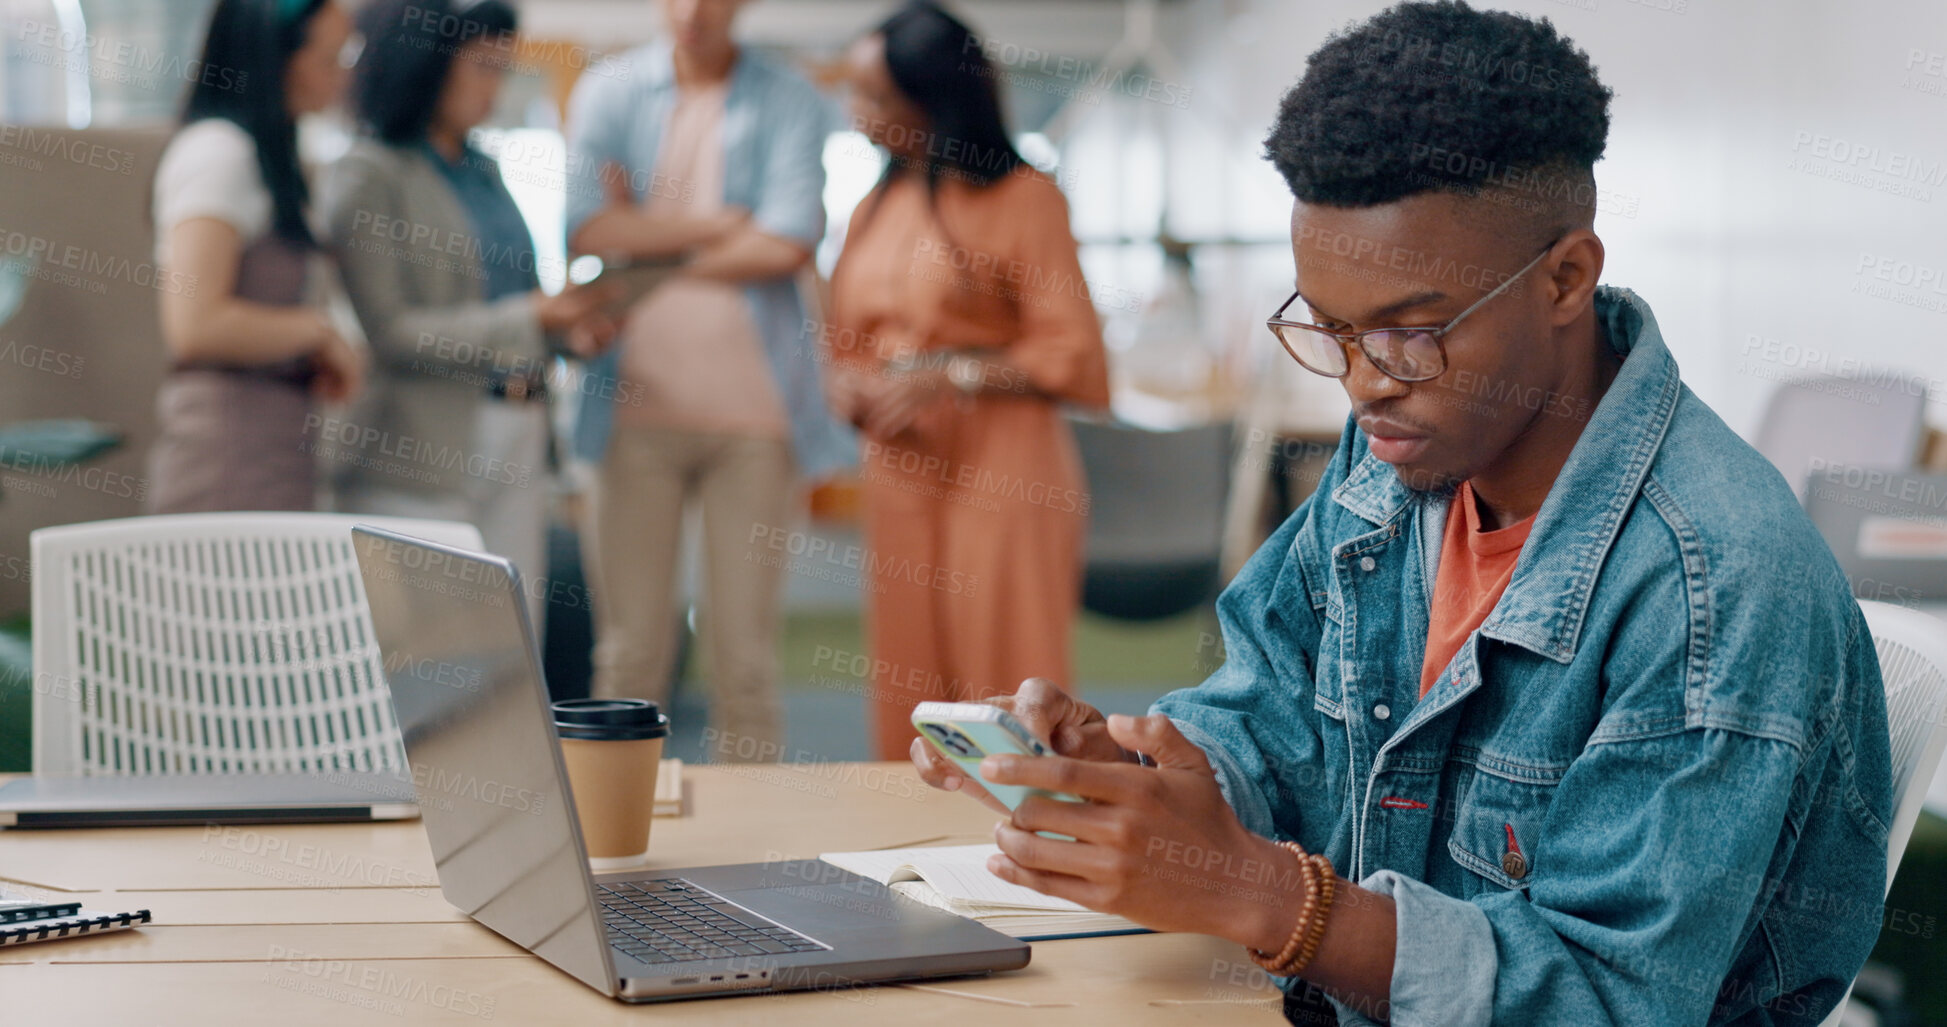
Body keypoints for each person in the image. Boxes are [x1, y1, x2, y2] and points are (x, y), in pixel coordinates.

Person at [910, 3, 1892, 1024]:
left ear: (1566, 277)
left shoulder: (1715, 583)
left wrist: (1264, 897)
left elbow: (1608, 996)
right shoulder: (1406, 452)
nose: (1363, 384)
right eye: (1329, 329)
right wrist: (1140, 774)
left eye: (1410, 333)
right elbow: (1277, 710)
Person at [563, 0, 853, 758]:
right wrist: (721, 224)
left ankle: (748, 856)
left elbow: (789, 238)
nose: (693, 11)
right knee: (628, 653)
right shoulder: (608, 91)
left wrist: (648, 245)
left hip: (756, 419)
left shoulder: (788, 95)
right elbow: (587, 227)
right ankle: (613, 838)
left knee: (745, 661)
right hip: (631, 412)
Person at [828, 1, 1109, 761]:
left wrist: (948, 373)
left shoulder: (1025, 199)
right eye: (852, 95)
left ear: (933, 99)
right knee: (908, 687)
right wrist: (849, 387)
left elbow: (1076, 356)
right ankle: (901, 861)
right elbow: (842, 344)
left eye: (876, 98)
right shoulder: (871, 207)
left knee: (1003, 683)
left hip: (1004, 468)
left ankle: (1026, 858)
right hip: (900, 466)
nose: (857, 115)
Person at [321, 0, 615, 621]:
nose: (495, 88)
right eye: (482, 67)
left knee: (514, 639)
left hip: (519, 424)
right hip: (424, 446)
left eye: (502, 69)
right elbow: (391, 332)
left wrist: (569, 334)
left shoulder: (483, 170)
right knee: (431, 652)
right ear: (428, 64)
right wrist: (534, 319)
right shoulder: (368, 173)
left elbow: (517, 301)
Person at [147, 0, 364, 514]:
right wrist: (317, 332)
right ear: (277, 56)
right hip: (225, 460)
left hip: (269, 449)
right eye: (331, 58)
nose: (343, 77)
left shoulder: (271, 156)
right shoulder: (219, 153)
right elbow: (195, 323)